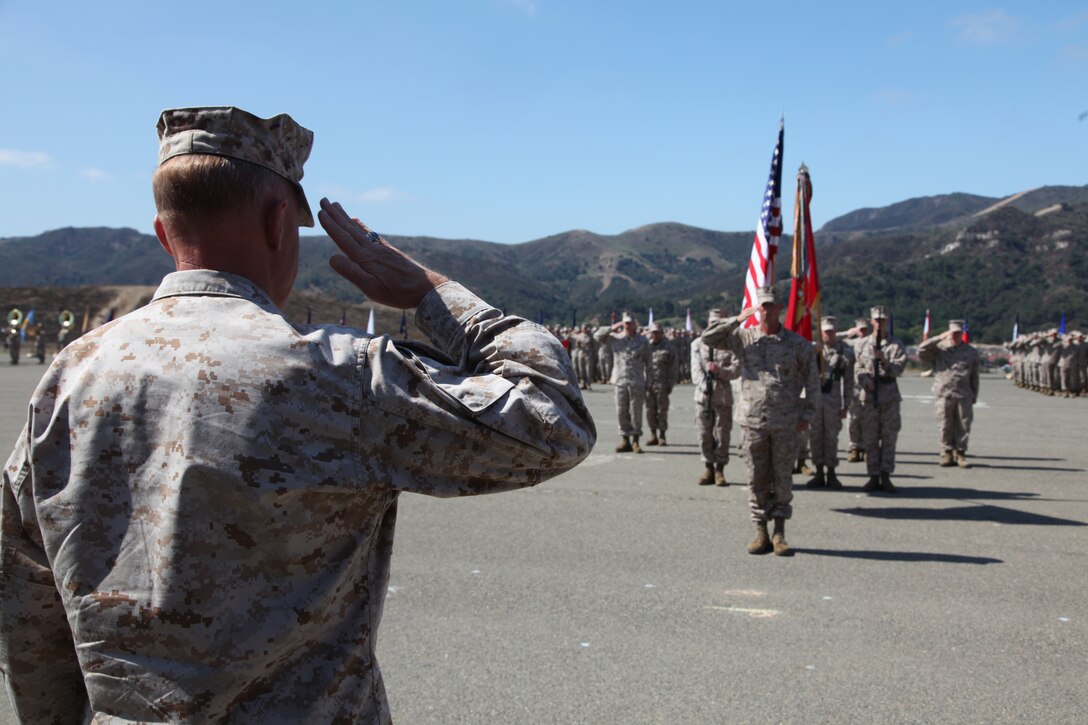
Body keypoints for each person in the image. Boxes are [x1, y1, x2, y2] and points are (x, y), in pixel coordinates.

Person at [0, 106, 596, 723]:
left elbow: (25, 599)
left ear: (162, 233)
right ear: (280, 221)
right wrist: (434, 296)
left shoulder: (71, 374)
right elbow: (553, 420)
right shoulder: (334, 373)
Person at [702, 285, 818, 556]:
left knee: (782, 478)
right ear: (757, 308)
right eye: (762, 306)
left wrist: (807, 414)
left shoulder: (796, 344)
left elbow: (812, 380)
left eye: (771, 306)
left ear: (780, 309)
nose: (766, 311)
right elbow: (708, 339)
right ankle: (760, 530)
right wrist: (738, 319)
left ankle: (779, 531)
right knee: (756, 477)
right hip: (753, 421)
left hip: (785, 422)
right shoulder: (743, 338)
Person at [853, 306, 907, 493]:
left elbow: (898, 370)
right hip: (869, 397)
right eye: (876, 319)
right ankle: (873, 475)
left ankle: (886, 475)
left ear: (888, 322)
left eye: (883, 319)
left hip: (889, 396)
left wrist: (884, 360)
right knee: (870, 439)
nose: (879, 323)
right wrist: (864, 379)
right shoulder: (861, 344)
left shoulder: (896, 345)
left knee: (889, 438)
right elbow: (858, 368)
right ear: (871, 321)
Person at [917, 320, 980, 467]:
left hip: (964, 393)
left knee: (964, 425)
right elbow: (922, 350)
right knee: (944, 424)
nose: (956, 336)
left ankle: (960, 453)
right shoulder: (940, 349)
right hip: (944, 393)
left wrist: (974, 393)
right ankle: (946, 452)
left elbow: (974, 375)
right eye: (953, 333)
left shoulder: (970, 352)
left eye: (958, 333)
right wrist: (939, 337)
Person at [691, 309, 740, 485]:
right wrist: (705, 386)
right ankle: (708, 468)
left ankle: (720, 469)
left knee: (723, 434)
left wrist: (720, 372)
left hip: (724, 396)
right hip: (703, 397)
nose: (715, 327)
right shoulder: (697, 344)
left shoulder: (732, 344)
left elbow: (736, 370)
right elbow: (695, 371)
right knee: (704, 434)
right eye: (712, 323)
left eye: (719, 323)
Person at [806, 316, 854, 489]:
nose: (829, 335)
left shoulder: (846, 352)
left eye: (832, 332)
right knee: (815, 436)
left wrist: (846, 405)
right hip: (815, 399)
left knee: (831, 437)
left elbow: (849, 381)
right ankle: (818, 471)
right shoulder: (813, 350)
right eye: (826, 332)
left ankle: (831, 472)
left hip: (833, 399)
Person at [595, 312, 650, 453]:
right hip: (620, 380)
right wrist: (612, 327)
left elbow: (648, 363)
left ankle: (636, 440)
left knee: (636, 412)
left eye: (630, 322)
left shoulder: (643, 341)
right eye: (625, 322)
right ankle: (625, 440)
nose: (628, 325)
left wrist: (649, 382)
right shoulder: (615, 339)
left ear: (635, 324)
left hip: (637, 381)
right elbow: (597, 336)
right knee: (621, 411)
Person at [644, 322, 679, 446]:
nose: (654, 334)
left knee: (662, 410)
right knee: (650, 410)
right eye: (653, 332)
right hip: (648, 384)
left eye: (657, 332)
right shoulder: (646, 346)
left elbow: (674, 368)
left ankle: (662, 435)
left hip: (662, 384)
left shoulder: (668, 347)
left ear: (661, 333)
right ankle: (653, 434)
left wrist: (671, 384)